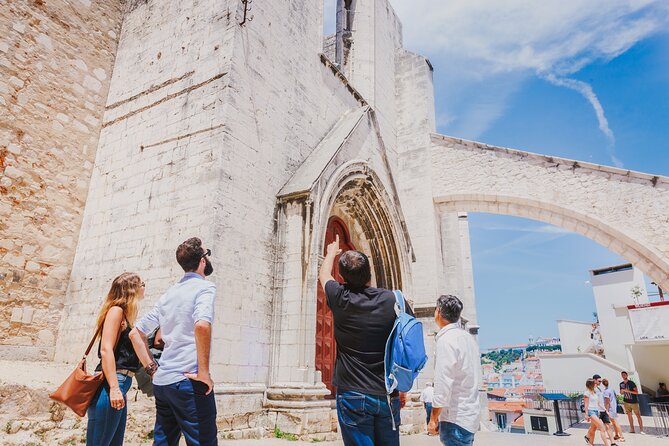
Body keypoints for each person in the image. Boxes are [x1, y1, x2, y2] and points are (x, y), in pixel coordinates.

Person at [318, 234, 406, 446]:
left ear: (343, 277)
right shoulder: (393, 300)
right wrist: (402, 387)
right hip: (387, 392)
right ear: (370, 273)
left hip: (352, 394)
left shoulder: (340, 297)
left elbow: (323, 275)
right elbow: (405, 344)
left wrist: (331, 252)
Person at [129, 237, 217, 446]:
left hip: (163, 382)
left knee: (164, 441)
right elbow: (202, 325)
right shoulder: (205, 288)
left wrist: (152, 369)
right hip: (189, 382)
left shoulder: (169, 294)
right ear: (202, 261)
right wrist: (203, 372)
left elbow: (136, 333)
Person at [86, 272, 145, 446]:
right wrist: (114, 388)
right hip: (112, 383)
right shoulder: (116, 311)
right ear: (131, 290)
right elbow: (106, 350)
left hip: (120, 383)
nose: (143, 287)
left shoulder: (125, 315)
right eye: (142, 284)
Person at [427, 295, 481, 446]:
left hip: (455, 419)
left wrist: (433, 419)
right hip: (469, 416)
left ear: (438, 312)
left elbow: (443, 383)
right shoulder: (468, 338)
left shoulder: (446, 340)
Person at [584, 378, 612, 446]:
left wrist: (606, 410)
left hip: (596, 411)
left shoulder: (595, 392)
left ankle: (589, 441)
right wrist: (586, 414)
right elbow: (586, 404)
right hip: (591, 411)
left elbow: (599, 403)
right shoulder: (587, 393)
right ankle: (607, 444)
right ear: (591, 384)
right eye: (594, 383)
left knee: (593, 428)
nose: (596, 384)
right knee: (602, 427)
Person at [603, 378, 625, 443]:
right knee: (614, 422)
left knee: (615, 422)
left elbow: (607, 402)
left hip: (610, 409)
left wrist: (606, 410)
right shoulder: (612, 389)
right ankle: (616, 435)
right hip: (614, 407)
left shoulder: (606, 391)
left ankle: (622, 436)